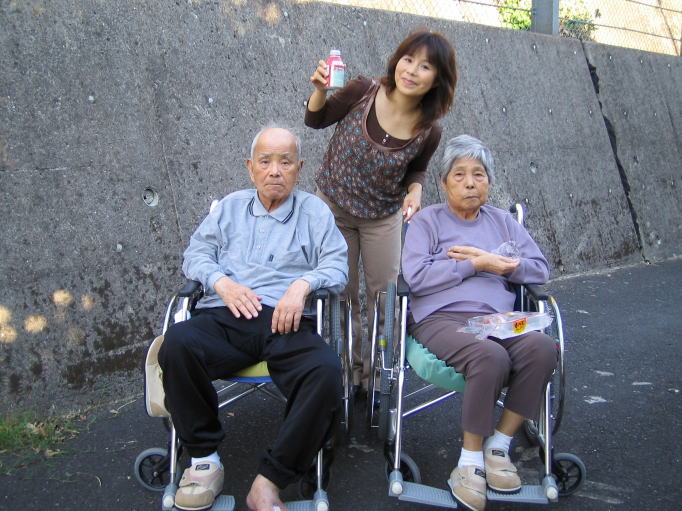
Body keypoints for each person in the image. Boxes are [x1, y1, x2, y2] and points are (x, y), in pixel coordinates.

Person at [151, 126, 349, 511]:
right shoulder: (229, 208)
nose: (275, 171)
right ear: (250, 167)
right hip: (227, 316)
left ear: (299, 168)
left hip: (286, 320)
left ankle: (270, 480)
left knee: (325, 370)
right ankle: (204, 460)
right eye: (265, 161)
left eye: (285, 162)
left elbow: (337, 267)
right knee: (177, 345)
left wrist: (303, 284)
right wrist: (221, 283)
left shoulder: (314, 212)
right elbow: (196, 255)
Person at [401, 135, 558, 511]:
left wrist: (502, 264)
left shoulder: (503, 222)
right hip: (442, 317)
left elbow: (540, 269)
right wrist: (475, 265)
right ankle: (468, 461)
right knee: (490, 356)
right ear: (444, 183)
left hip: (498, 319)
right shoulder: (427, 221)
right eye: (460, 175)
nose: (470, 183)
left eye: (479, 174)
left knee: (542, 347)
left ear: (489, 181)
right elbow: (415, 277)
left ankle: (498, 446)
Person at [305, 29, 457, 391]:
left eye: (425, 66)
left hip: (382, 216)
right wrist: (320, 91)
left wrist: (416, 189)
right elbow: (316, 120)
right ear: (397, 60)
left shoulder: (429, 130)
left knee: (384, 298)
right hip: (333, 208)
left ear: (438, 80)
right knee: (341, 293)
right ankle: (344, 372)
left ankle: (375, 378)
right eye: (408, 59)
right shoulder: (362, 90)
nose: (412, 70)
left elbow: (417, 169)